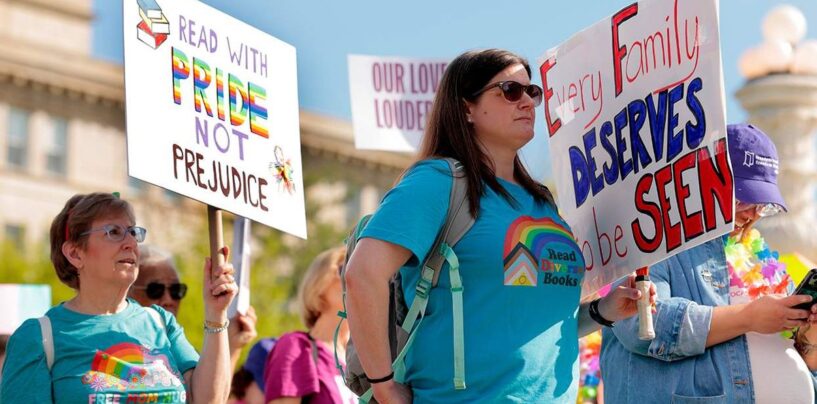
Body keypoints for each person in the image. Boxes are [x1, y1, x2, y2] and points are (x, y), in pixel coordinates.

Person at [343, 49, 653, 403]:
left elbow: (539, 323)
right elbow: (363, 275)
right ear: (466, 108)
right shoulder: (437, 182)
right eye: (509, 90)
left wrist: (602, 311)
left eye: (531, 91)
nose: (527, 102)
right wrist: (383, 387)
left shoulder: (543, 204)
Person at [601, 124, 817, 403]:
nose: (751, 214)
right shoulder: (655, 237)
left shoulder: (759, 259)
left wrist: (809, 338)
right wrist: (749, 317)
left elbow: (800, 367)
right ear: (704, 180)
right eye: (742, 198)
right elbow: (638, 326)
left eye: (763, 205)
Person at [0, 192, 237, 402]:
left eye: (133, 232)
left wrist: (216, 312)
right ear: (75, 253)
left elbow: (209, 400)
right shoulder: (38, 338)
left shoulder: (161, 322)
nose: (131, 243)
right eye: (114, 232)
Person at [129, 244, 258, 370]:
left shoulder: (181, 350)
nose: (168, 300)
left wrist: (232, 346)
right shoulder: (117, 344)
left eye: (176, 290)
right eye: (155, 290)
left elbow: (209, 390)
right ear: (128, 292)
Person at [263, 246, 357, 404]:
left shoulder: (363, 365)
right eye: (345, 268)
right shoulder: (297, 347)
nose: (353, 277)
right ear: (319, 282)